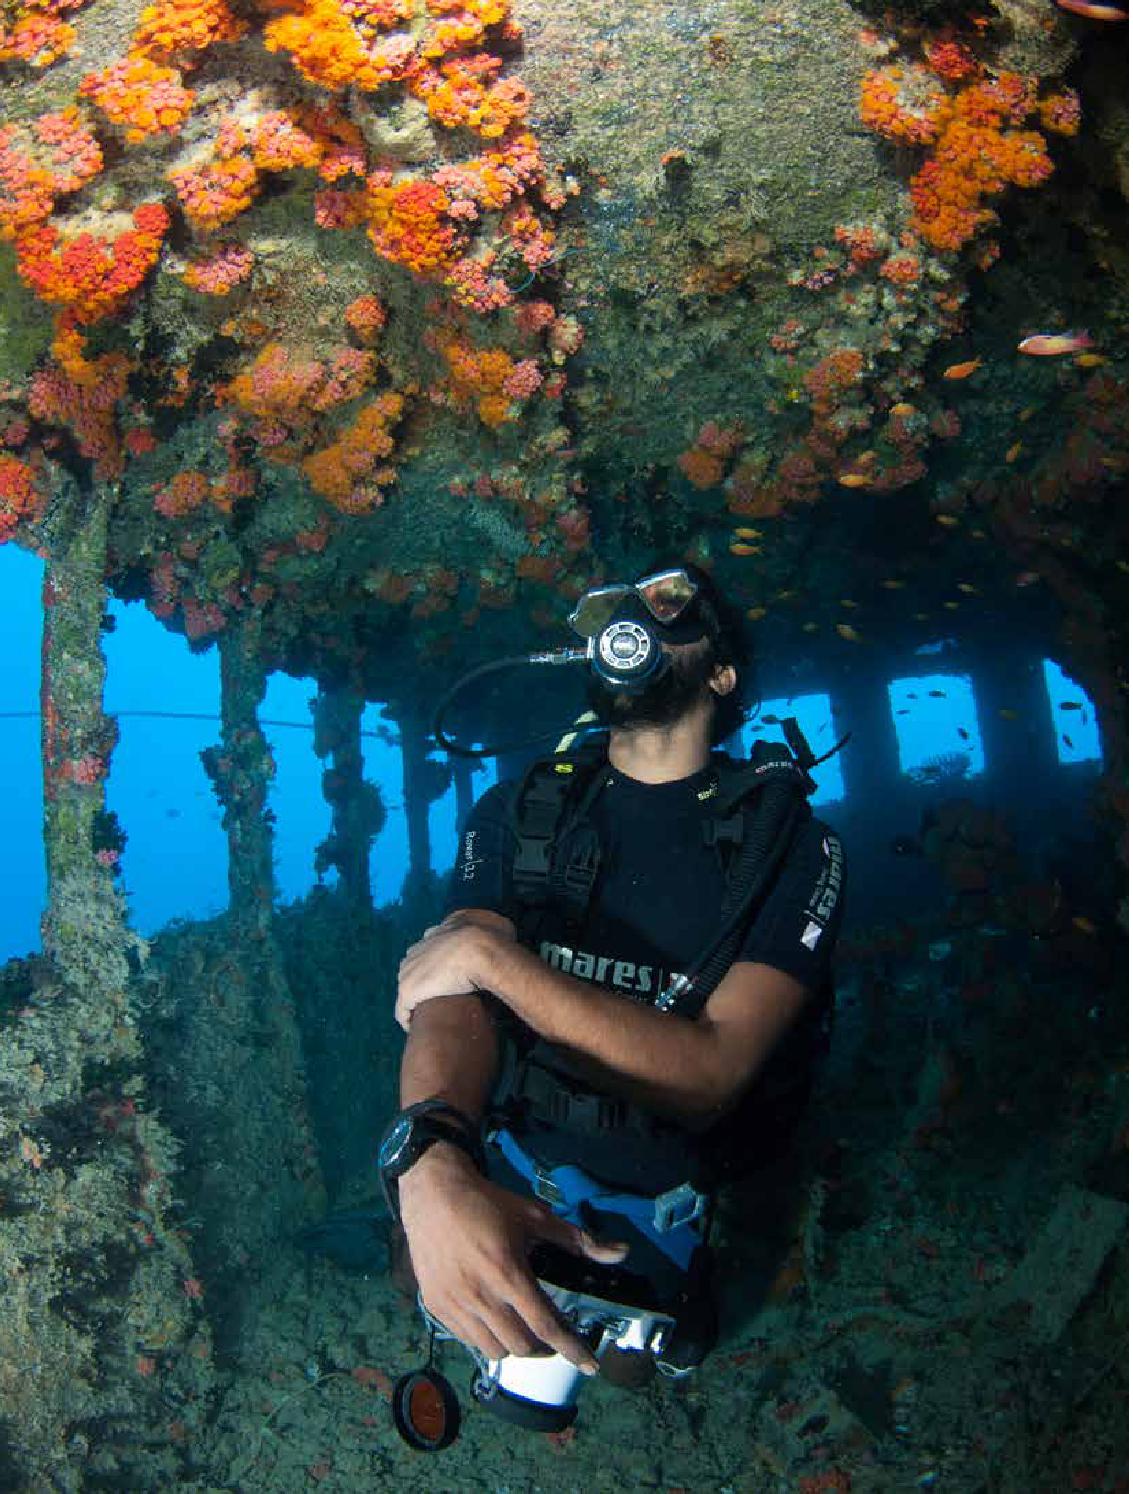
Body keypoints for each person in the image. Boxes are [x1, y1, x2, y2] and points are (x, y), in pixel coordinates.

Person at [382, 562, 845, 1392]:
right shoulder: (522, 808)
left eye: (668, 607)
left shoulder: (793, 847)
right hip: (521, 1156)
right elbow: (449, 1000)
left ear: (722, 670)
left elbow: (710, 1076)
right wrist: (432, 1156)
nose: (630, 620)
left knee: (637, 1369)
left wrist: (495, 961)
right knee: (419, 1278)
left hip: (681, 1196)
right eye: (610, 612)